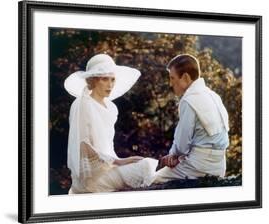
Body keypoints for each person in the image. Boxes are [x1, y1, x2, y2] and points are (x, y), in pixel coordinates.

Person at [65, 54, 158, 193]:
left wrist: (120, 160)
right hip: (93, 177)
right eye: (104, 79)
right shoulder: (82, 103)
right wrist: (118, 162)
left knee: (146, 163)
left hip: (109, 167)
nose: (110, 85)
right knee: (147, 166)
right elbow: (83, 145)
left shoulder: (111, 107)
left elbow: (107, 147)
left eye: (112, 79)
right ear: (93, 80)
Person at [153, 54, 229, 183]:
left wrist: (172, 156)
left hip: (198, 166)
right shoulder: (213, 95)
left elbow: (182, 142)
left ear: (186, 77)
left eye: (172, 78)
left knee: (153, 179)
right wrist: (178, 156)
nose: (171, 83)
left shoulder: (189, 99)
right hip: (219, 166)